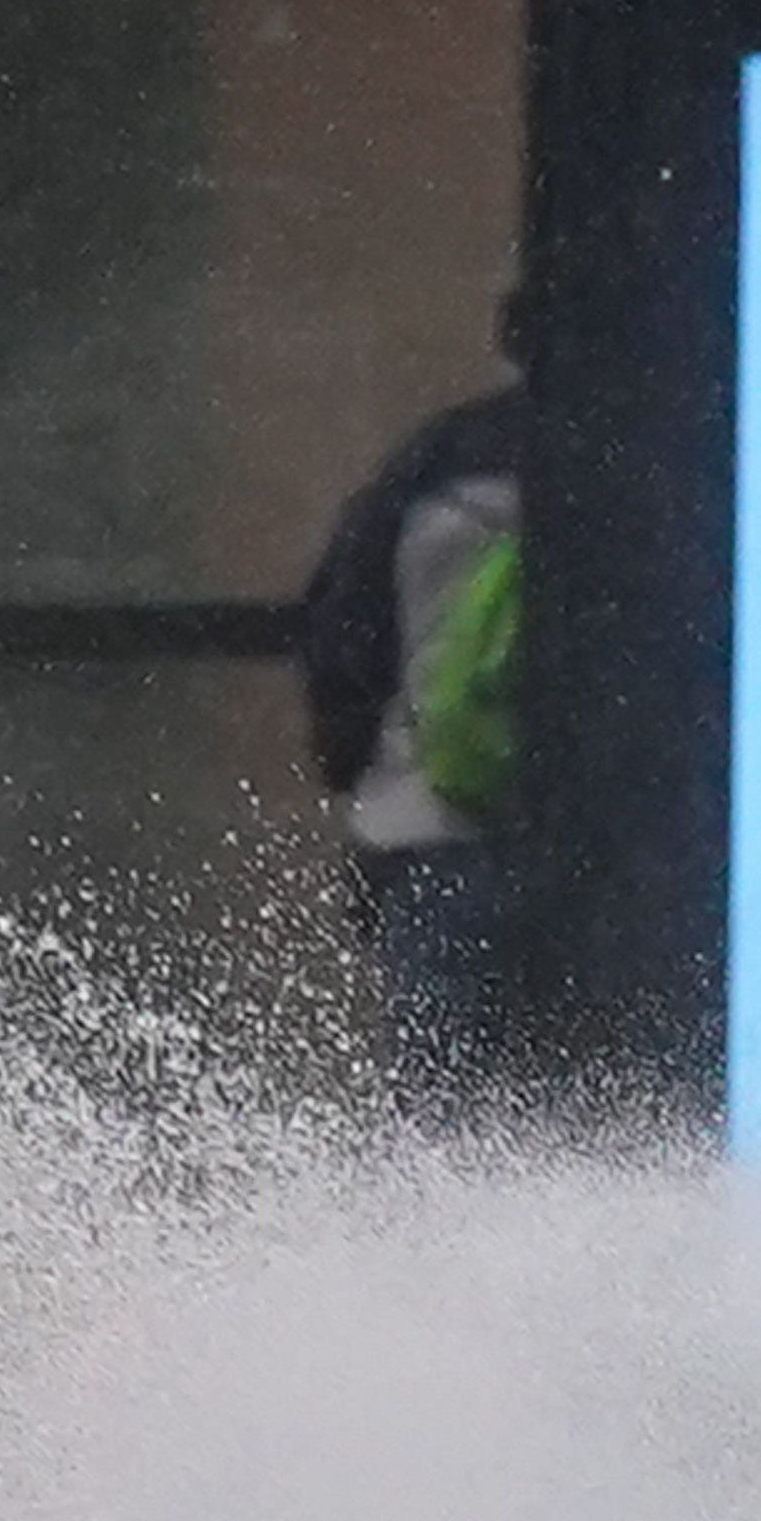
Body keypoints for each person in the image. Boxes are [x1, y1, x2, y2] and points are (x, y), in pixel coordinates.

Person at [293, 307, 527, 1101]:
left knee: (445, 1132)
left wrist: (362, 770)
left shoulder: (437, 463)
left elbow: (342, 640)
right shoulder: (673, 463)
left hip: (435, 836)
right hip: (623, 864)